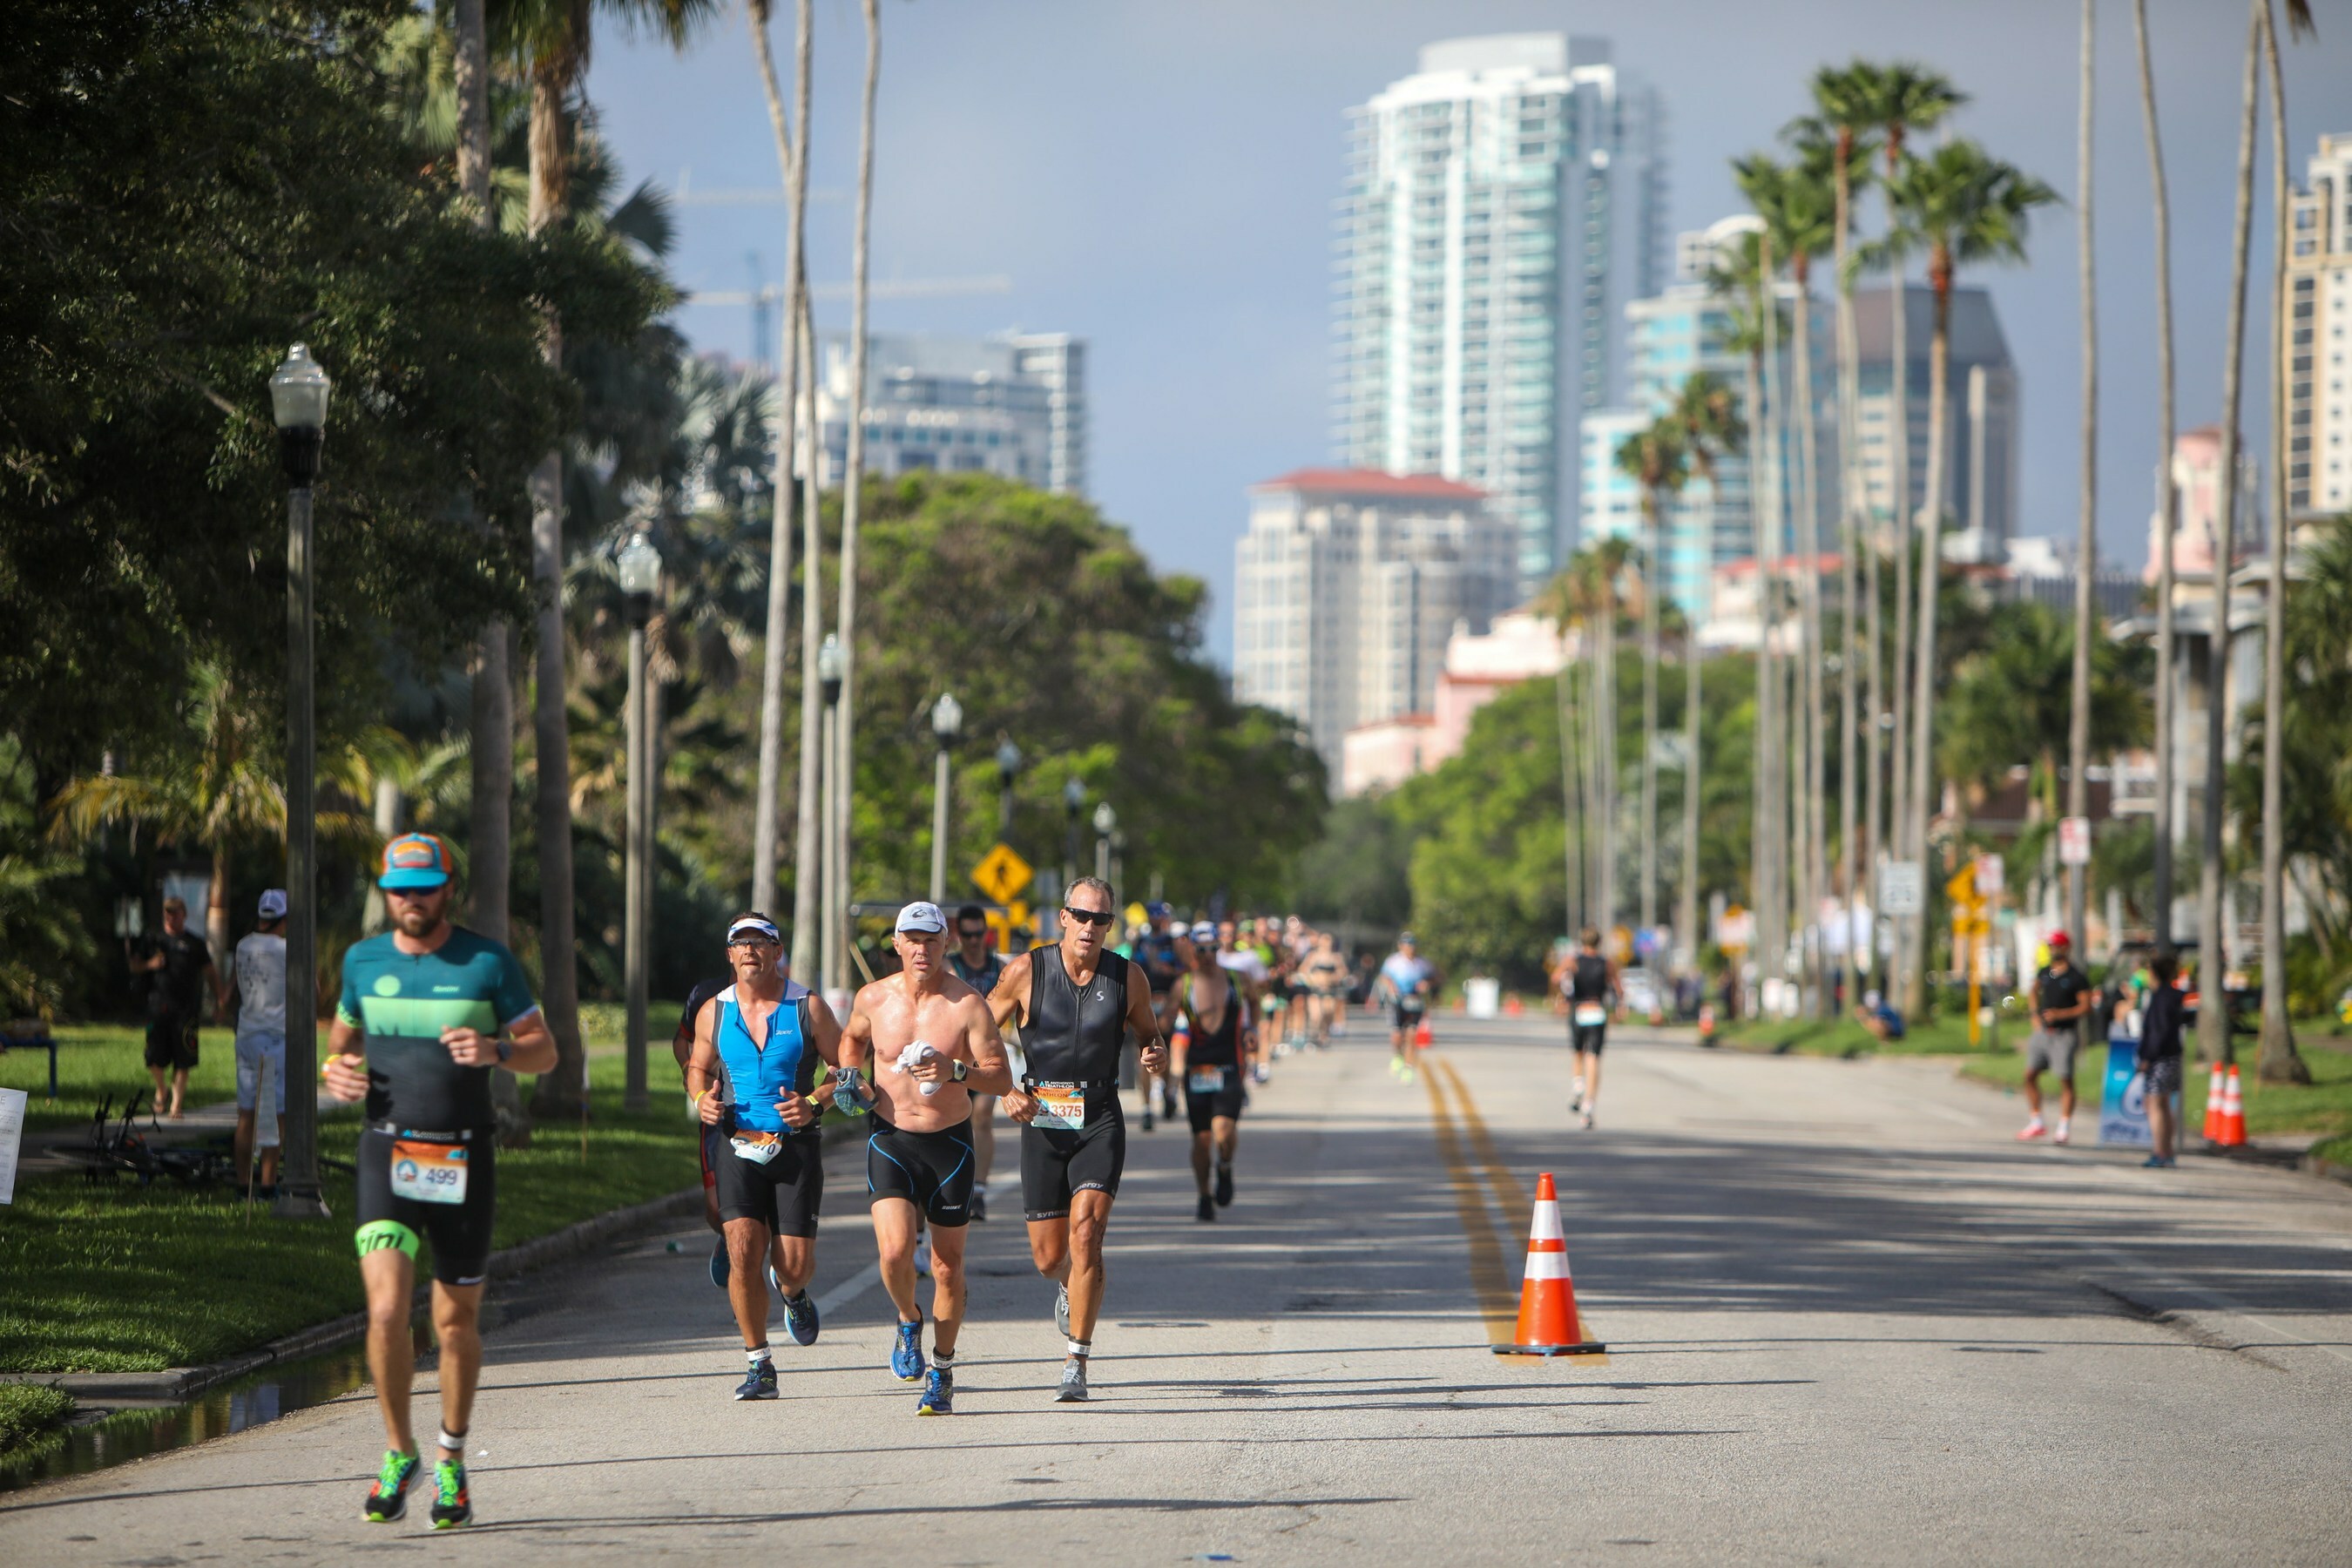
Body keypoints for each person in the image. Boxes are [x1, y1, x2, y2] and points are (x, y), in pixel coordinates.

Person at [322, 833, 557, 1530]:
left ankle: (451, 1458)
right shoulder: (362, 961)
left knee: (454, 1325)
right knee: (389, 1311)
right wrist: (334, 1072)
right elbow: (342, 1045)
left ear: (447, 888)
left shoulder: (486, 960)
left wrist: (496, 1049)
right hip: (385, 1153)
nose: (411, 900)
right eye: (399, 889)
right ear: (386, 893)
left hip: (462, 1157)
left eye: (423, 888)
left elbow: (543, 1052)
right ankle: (399, 1452)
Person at [985, 875, 1168, 1402]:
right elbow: (981, 1034)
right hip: (1043, 1117)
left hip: (1099, 1118)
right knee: (1048, 1258)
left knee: (1087, 1233)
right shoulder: (1026, 971)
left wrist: (1155, 1053)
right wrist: (1003, 1090)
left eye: (1101, 920)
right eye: (1081, 916)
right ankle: (1069, 1284)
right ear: (1063, 917)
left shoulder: (1127, 976)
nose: (1090, 928)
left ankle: (1077, 1361)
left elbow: (1149, 1034)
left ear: (1111, 925)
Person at [837, 902, 1012, 1416]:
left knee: (946, 1267)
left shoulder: (967, 1005)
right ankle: (909, 1319)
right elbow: (851, 1041)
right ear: (896, 944)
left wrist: (956, 1070)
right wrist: (851, 1077)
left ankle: (942, 1367)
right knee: (894, 1255)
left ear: (946, 944)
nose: (921, 949)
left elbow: (1000, 1078)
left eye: (931, 940)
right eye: (911, 939)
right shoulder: (873, 998)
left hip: (949, 1145)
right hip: (889, 1137)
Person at [686, 916, 836, 1382]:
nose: (750, 950)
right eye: (740, 943)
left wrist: (813, 1103)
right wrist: (701, 1099)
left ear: (778, 952)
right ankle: (759, 1362)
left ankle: (793, 1294)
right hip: (736, 1143)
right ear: (729, 955)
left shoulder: (807, 1007)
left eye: (760, 943)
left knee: (793, 1266)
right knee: (744, 1251)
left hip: (795, 1146)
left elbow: (846, 1070)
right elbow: (697, 1066)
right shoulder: (714, 1010)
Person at [1172, 922, 1251, 1221]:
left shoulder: (1237, 979)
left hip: (1229, 1064)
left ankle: (1226, 1167)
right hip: (1197, 1069)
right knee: (1202, 1140)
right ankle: (1204, 1194)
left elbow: (1254, 1003)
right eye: (1202, 950)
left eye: (1213, 949)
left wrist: (1251, 1030)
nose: (1208, 955)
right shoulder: (1185, 984)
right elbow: (1165, 1020)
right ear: (1193, 949)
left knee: (1224, 1131)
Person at [671, 967, 738, 1288]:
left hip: (761, 1115)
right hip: (716, 1113)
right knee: (715, 1210)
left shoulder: (781, 1000)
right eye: (741, 944)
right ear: (730, 954)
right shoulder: (705, 997)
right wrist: (690, 1069)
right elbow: (681, 1039)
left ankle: (747, 1270)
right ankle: (727, 1240)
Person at [136, 895, 226, 1119]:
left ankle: (176, 1105)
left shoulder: (194, 944)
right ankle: (162, 1089)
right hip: (157, 1007)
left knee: (183, 1058)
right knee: (153, 1056)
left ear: (184, 915)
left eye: (175, 912)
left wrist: (220, 1000)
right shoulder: (153, 940)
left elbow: (210, 973)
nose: (171, 916)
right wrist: (151, 964)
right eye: (168, 912)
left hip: (186, 1010)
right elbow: (134, 964)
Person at [948, 904, 1010, 1221]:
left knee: (982, 1116)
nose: (973, 941)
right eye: (967, 934)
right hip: (953, 1059)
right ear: (959, 934)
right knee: (955, 1121)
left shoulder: (999, 968)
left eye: (978, 934)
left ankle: (981, 1190)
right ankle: (956, 1186)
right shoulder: (949, 966)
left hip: (986, 1056)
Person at [230, 889, 289, 1193]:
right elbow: (313, 990)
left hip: (247, 1034)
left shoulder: (242, 946)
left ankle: (243, 1183)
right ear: (283, 920)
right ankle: (267, 1184)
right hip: (275, 1038)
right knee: (276, 1113)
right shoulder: (285, 949)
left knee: (247, 1113)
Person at [2021, 929, 2093, 1145]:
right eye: (2051, 946)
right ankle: (2037, 1121)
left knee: (2065, 1079)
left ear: (2066, 948)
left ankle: (2064, 1126)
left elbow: (2086, 1006)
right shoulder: (2045, 972)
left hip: (2065, 1033)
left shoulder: (2076, 977)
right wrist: (2035, 1015)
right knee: (2029, 1075)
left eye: (2056, 946)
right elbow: (2033, 991)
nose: (2053, 950)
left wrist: (2061, 1014)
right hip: (2043, 1032)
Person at [1131, 902, 1185, 1129]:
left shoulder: (1174, 943)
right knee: (1142, 1055)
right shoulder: (1140, 943)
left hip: (1170, 1003)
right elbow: (1131, 970)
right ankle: (1146, 1108)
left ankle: (1168, 1092)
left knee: (1170, 1053)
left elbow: (1185, 972)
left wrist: (1169, 972)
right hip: (1145, 1003)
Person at [1560, 928, 1617, 1130]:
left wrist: (1563, 996)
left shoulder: (1572, 960)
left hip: (1579, 1009)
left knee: (1578, 1053)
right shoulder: (1606, 963)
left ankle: (1578, 1086)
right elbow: (1618, 988)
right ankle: (1588, 1106)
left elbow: (1557, 978)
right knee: (1593, 1058)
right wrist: (1619, 1008)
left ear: (1582, 942)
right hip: (1597, 1011)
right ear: (1599, 942)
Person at [2138, 950, 2186, 1169]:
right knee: (2165, 1104)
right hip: (2173, 1056)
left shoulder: (2160, 998)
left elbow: (2158, 1031)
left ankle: (2160, 1150)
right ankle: (2167, 1151)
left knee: (2154, 1103)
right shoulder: (2173, 996)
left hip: (2160, 1058)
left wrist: (2147, 1057)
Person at [1375, 932, 1439, 1082]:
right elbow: (1384, 977)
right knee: (1397, 1035)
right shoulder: (1393, 962)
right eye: (1406, 944)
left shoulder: (1423, 963)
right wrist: (1391, 987)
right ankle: (1398, 1055)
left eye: (1412, 944)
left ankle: (1409, 1067)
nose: (1410, 947)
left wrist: (1427, 984)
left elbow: (1435, 977)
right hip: (1396, 1001)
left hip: (1414, 1001)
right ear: (1401, 946)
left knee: (1411, 1035)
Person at [1214, 918, 1272, 1085]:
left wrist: (1246, 987)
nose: (1227, 937)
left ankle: (1239, 1086)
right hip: (1215, 1016)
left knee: (1240, 1053)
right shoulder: (1212, 958)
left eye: (1230, 934)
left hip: (1241, 1014)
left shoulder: (1248, 957)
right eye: (1223, 934)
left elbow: (1263, 981)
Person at [1296, 931, 1349, 1049]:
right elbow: (1303, 971)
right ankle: (1314, 1035)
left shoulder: (1336, 957)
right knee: (1316, 1015)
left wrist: (1333, 978)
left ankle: (1324, 1034)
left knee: (1328, 1012)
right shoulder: (1312, 956)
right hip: (1315, 989)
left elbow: (1343, 973)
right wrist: (1312, 980)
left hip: (1329, 990)